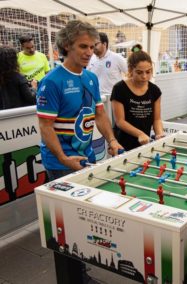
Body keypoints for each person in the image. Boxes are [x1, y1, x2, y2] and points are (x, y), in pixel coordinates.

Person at [36, 19, 123, 284]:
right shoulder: (51, 82)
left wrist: (111, 140)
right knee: (65, 224)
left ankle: (79, 273)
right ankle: (72, 277)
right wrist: (62, 158)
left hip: (85, 158)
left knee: (80, 221)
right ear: (66, 46)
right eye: (82, 46)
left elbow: (99, 114)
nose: (89, 52)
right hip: (61, 162)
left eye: (92, 46)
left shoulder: (90, 77)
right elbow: (45, 125)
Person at [110, 44, 164, 151]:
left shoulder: (155, 91)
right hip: (122, 145)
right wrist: (140, 134)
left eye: (148, 72)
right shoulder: (119, 89)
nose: (144, 76)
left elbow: (157, 119)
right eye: (139, 72)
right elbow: (120, 121)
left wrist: (159, 134)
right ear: (130, 70)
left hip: (145, 144)